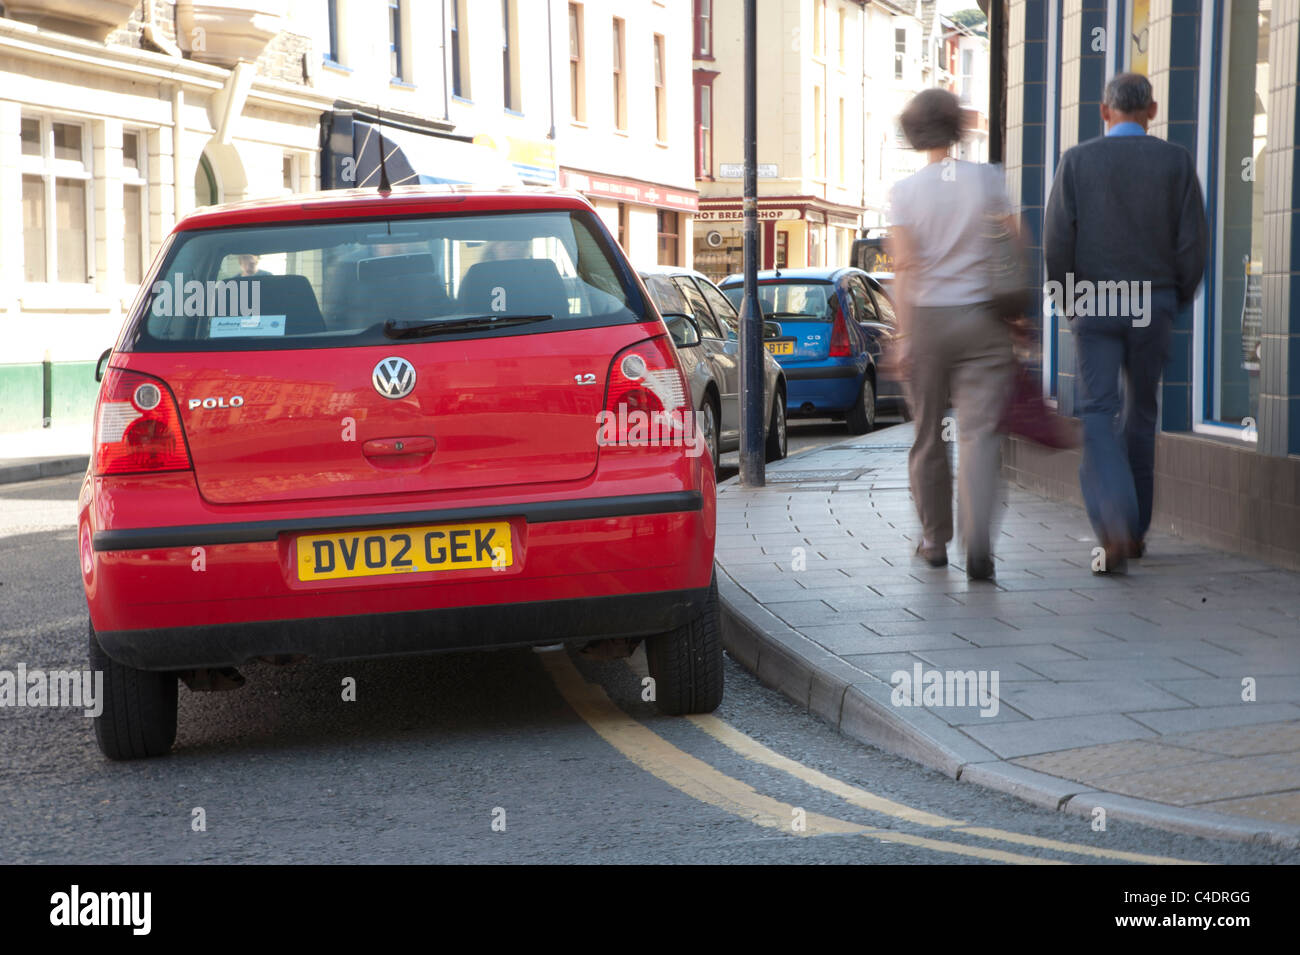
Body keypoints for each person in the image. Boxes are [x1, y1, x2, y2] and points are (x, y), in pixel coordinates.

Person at [1044, 73, 1207, 573]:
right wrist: (1175, 296)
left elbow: (1056, 240)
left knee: (1097, 411)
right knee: (1142, 412)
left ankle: (1113, 521)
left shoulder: (1076, 162)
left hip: (1094, 300)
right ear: (1151, 110)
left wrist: (1068, 298)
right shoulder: (1176, 162)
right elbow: (1192, 241)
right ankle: (1134, 535)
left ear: (1103, 110)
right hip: (1152, 303)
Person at [887, 89, 1018, 580]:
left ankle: (934, 539)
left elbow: (903, 265)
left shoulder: (904, 193)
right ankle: (978, 540)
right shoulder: (986, 179)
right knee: (980, 434)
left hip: (926, 321)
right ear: (957, 127)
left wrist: (902, 337)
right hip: (982, 318)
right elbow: (1017, 237)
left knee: (927, 435)